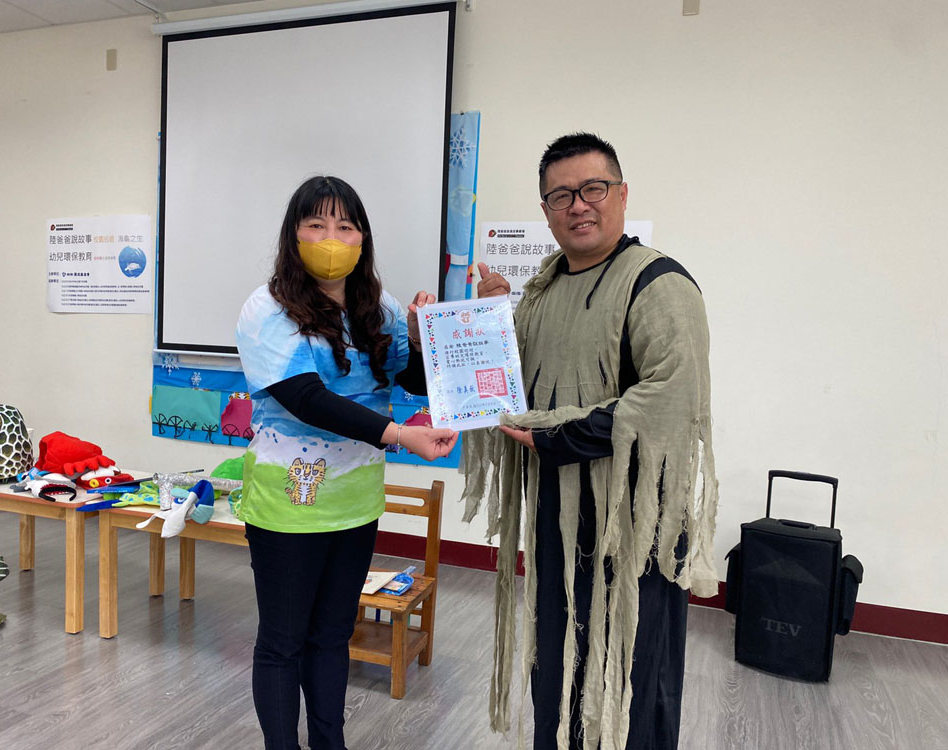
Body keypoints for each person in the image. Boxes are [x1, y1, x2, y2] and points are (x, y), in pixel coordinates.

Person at [462, 133, 719, 750]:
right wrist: (486, 322)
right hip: (557, 513)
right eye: (561, 195)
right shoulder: (543, 290)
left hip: (635, 525)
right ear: (546, 210)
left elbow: (671, 398)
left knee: (631, 671)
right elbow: (509, 383)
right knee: (557, 662)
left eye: (593, 189)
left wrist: (558, 433)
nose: (578, 205)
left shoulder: (658, 282)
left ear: (622, 194)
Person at [235, 175, 457, 750]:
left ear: (363, 238)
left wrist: (423, 338)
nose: (331, 238)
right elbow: (305, 398)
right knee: (283, 641)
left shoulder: (377, 307)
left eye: (345, 225)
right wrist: (399, 435)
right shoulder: (267, 309)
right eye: (316, 224)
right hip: (289, 504)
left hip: (355, 501)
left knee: (333, 636)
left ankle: (330, 743)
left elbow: (410, 377)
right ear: (294, 235)